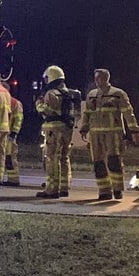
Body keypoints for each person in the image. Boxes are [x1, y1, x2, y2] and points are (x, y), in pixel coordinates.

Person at [79, 67, 139, 201]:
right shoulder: (92, 95)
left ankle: (117, 189)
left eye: (99, 78)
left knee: (114, 160)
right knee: (98, 162)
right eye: (95, 78)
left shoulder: (118, 94)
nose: (96, 81)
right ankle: (104, 190)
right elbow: (87, 114)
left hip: (114, 134)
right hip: (95, 134)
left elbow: (128, 113)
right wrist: (84, 128)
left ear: (106, 78)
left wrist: (134, 130)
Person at [35, 64, 81, 199]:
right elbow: (76, 114)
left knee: (52, 159)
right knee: (64, 157)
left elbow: (46, 110)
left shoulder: (51, 94)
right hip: (68, 129)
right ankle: (64, 187)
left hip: (53, 129)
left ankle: (52, 189)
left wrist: (38, 104)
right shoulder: (72, 93)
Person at [4, 83, 24, 187]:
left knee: (10, 157)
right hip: (2, 134)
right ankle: (2, 178)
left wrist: (14, 133)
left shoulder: (15, 103)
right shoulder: (4, 101)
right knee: (1, 157)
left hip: (9, 134)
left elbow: (18, 119)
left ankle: (14, 179)